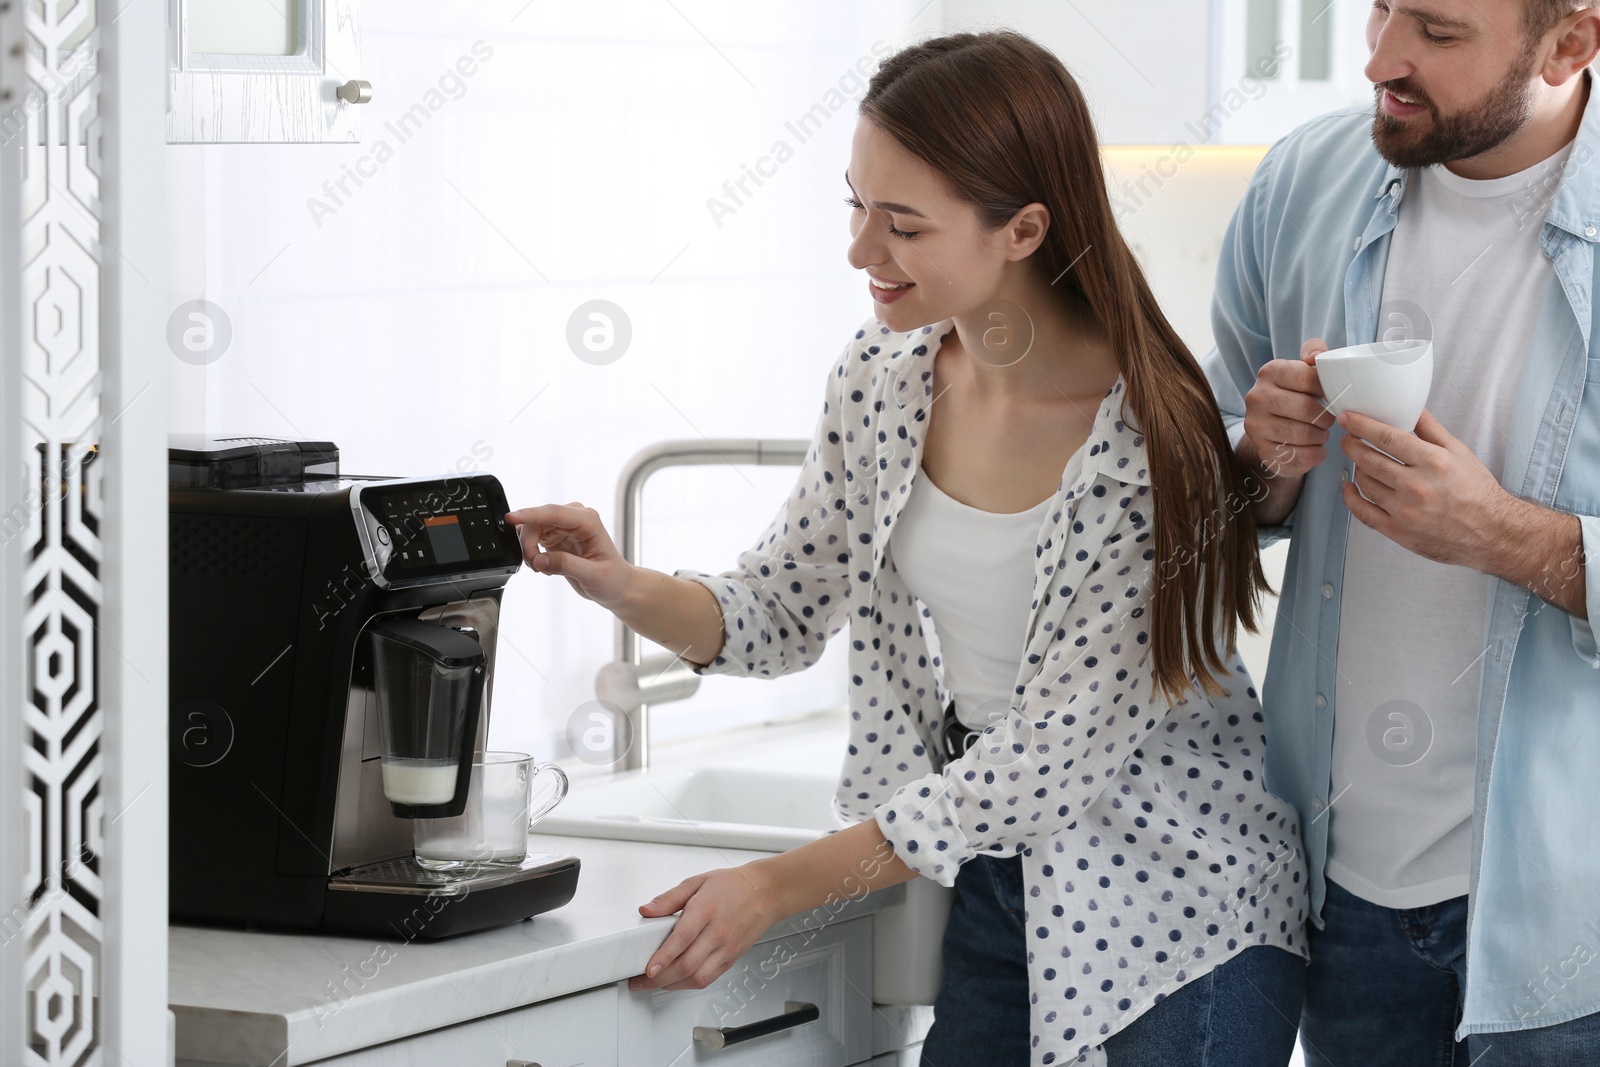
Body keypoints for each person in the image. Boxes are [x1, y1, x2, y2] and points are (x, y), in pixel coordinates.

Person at [512, 32, 1307, 1066]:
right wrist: (619, 582)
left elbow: (1045, 762)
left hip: (1177, 902)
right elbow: (781, 607)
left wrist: (774, 884)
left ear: (1022, 229)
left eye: (903, 225)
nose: (859, 250)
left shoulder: (1144, 438)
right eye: (855, 205)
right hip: (994, 876)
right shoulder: (883, 376)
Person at [1202, 2, 1600, 1064]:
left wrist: (1508, 535)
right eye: (1378, 7)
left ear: (1570, 44)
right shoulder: (1299, 186)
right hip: (1340, 900)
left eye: (1435, 29)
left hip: (1574, 920)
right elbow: (1202, 505)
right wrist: (1261, 465)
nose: (1379, 57)